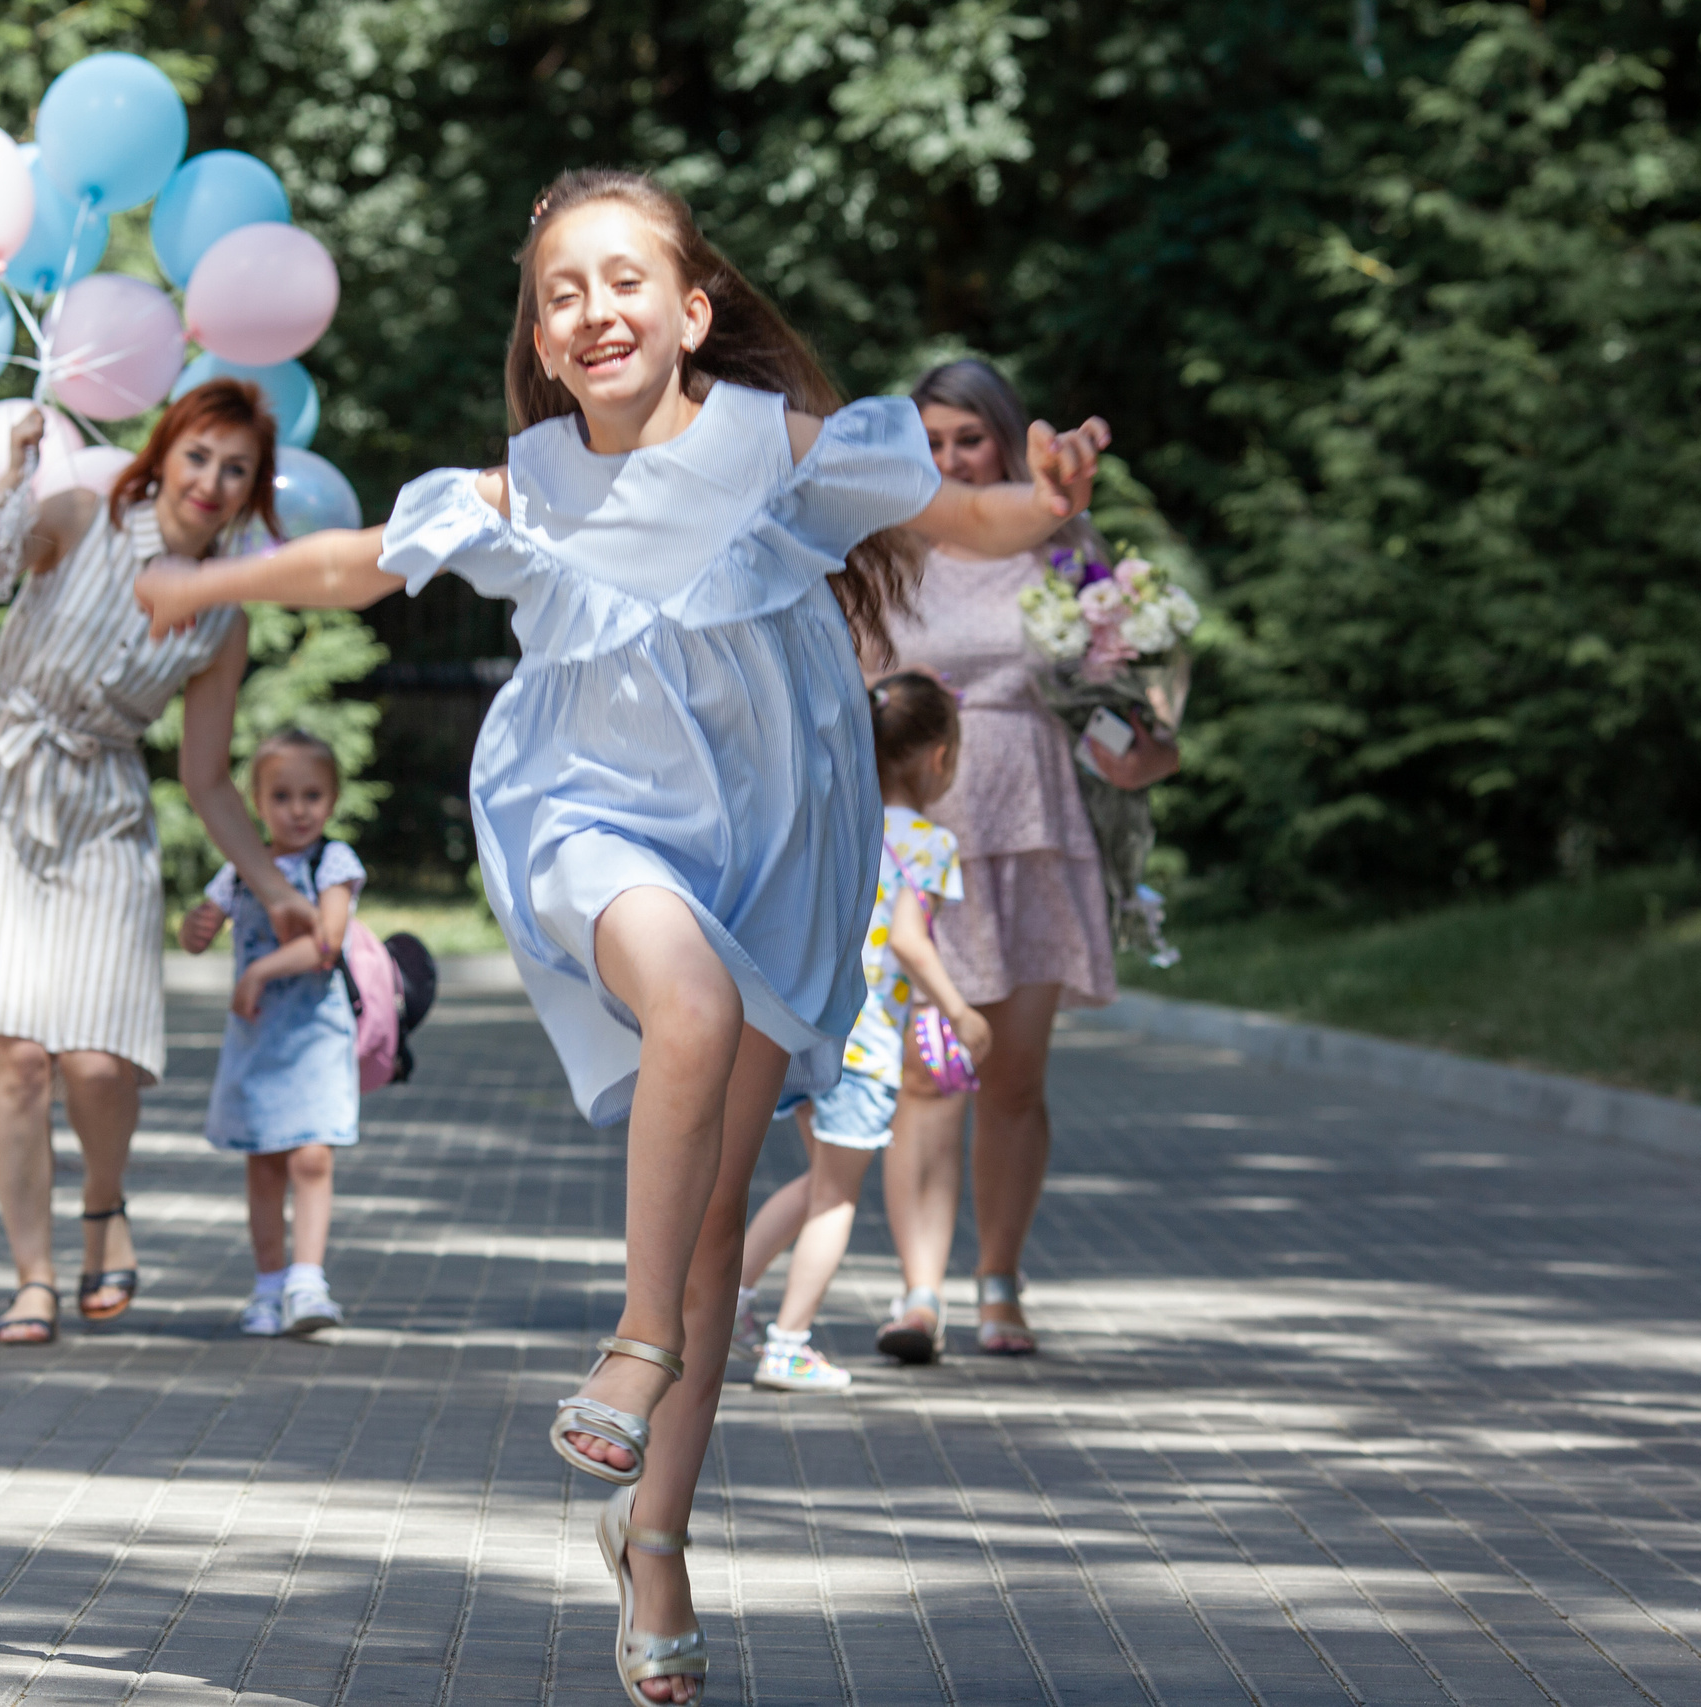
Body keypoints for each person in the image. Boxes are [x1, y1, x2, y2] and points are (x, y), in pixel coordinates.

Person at [129, 170, 1107, 1704]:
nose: (593, 309)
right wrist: (207, 575)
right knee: (690, 1012)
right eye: (560, 291)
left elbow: (958, 510)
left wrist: (1045, 499)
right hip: (591, 815)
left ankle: (654, 1535)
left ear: (693, 309)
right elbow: (357, 560)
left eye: (624, 280)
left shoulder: (773, 442)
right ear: (539, 330)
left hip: (778, 843)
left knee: (721, 1216)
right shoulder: (533, 476)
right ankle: (636, 1337)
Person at [0, 381, 317, 1348]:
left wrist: (274, 889)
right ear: (164, 451)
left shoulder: (223, 613)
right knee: (17, 1055)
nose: (211, 481)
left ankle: (106, 1204)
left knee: (99, 1061)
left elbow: (206, 778)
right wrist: (11, 480)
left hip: (104, 807)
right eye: (198, 456)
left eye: (235, 469)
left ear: (253, 488)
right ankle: (34, 1276)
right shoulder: (77, 515)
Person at [873, 358, 1178, 1363]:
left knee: (1011, 1076)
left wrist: (1146, 739)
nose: (949, 461)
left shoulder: (1061, 544)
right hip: (924, 828)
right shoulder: (886, 548)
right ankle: (918, 1295)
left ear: (1005, 441)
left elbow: (1131, 693)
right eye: (927, 445)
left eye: (967, 439)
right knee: (929, 1072)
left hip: (1036, 816)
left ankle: (998, 1280)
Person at [732, 672, 987, 1395]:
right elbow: (910, 940)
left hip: (807, 1029)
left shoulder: (835, 825)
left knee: (819, 1183)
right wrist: (961, 1011)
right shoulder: (929, 843)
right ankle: (788, 1342)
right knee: (836, 1200)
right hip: (868, 1045)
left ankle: (730, 1305)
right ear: (939, 757)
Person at [177, 728, 365, 1337]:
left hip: (313, 1036)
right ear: (257, 804)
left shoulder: (332, 863)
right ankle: (266, 1286)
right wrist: (199, 925)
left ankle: (308, 1281)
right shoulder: (238, 871)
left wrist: (259, 969)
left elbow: (326, 942)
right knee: (263, 1164)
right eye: (282, 796)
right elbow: (192, 940)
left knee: (312, 1155)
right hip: (257, 1043)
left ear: (332, 800)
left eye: (312, 795)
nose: (299, 808)